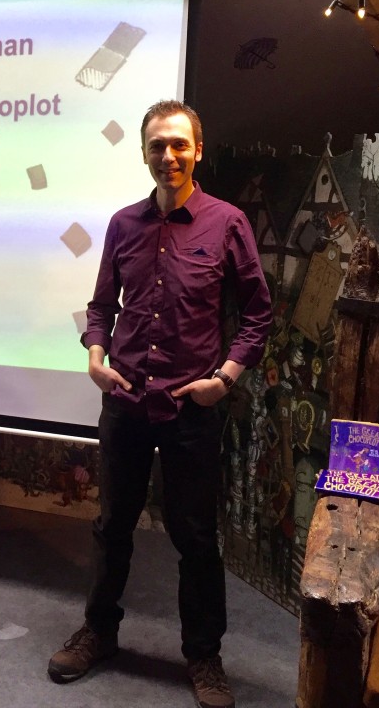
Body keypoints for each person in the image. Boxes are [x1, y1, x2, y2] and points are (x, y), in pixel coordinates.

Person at [47, 100, 272, 708]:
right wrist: (96, 354)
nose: (167, 156)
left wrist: (224, 379)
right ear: (144, 153)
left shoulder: (227, 223)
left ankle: (203, 656)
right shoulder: (123, 225)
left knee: (195, 536)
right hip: (125, 400)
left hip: (190, 407)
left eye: (178, 144)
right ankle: (99, 632)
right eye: (156, 146)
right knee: (111, 525)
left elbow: (258, 314)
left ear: (198, 150)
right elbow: (102, 306)